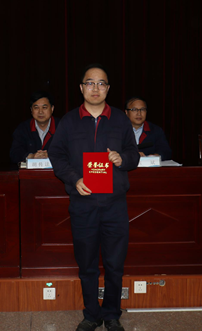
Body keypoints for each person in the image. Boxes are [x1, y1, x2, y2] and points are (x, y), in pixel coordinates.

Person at [49, 64, 139, 331]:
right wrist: (74, 179)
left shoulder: (121, 120)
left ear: (108, 88)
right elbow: (56, 155)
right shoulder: (69, 121)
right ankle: (91, 314)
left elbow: (133, 155)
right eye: (90, 83)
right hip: (83, 204)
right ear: (82, 88)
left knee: (114, 264)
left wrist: (122, 158)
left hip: (114, 205)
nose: (95, 88)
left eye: (101, 83)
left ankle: (111, 314)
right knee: (87, 264)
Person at [9, 91, 60, 163]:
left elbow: (70, 150)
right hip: (30, 170)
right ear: (31, 110)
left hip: (57, 169)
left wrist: (51, 155)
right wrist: (31, 156)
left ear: (52, 109)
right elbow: (14, 153)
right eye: (36, 108)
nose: (40, 112)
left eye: (44, 107)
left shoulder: (62, 126)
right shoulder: (23, 128)